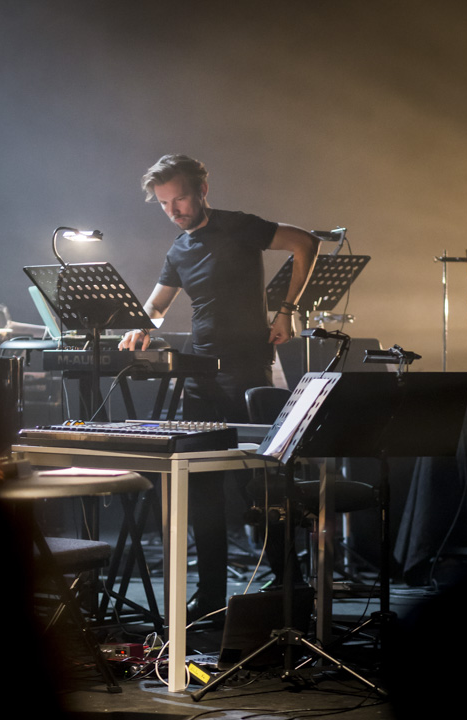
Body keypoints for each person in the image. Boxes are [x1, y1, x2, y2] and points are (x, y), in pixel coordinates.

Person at [120, 154, 319, 621]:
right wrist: (139, 327)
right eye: (164, 203)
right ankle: (210, 596)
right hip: (200, 375)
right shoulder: (178, 249)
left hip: (247, 370)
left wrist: (287, 310)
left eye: (180, 199)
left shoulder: (240, 226)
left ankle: (289, 586)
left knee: (259, 483)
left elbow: (305, 243)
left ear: (202, 190)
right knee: (200, 486)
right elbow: (157, 306)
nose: (173, 210)